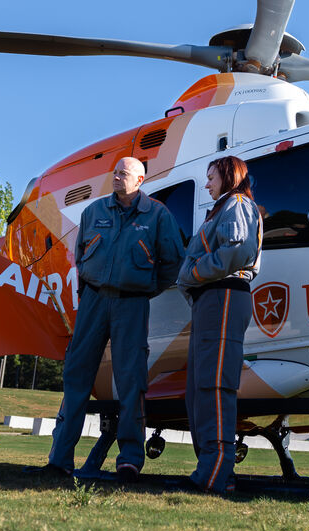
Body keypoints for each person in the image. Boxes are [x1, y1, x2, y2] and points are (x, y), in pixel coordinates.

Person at [36, 157, 185, 482]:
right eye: (115, 172)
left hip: (132, 304)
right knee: (76, 376)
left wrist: (145, 289)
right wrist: (87, 295)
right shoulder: (94, 212)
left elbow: (173, 263)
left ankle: (130, 459)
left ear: (141, 179)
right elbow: (81, 255)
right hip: (92, 301)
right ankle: (59, 459)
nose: (116, 177)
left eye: (124, 173)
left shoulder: (158, 215)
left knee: (131, 380)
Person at [177, 156, 262, 493]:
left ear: (228, 177)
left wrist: (194, 274)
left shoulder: (237, 204)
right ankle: (208, 469)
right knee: (198, 389)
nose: (207, 183)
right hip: (210, 300)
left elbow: (238, 250)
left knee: (214, 386)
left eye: (211, 177)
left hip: (225, 296)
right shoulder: (221, 208)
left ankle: (215, 473)